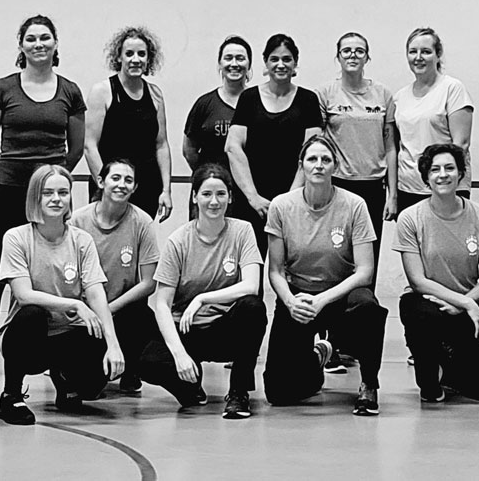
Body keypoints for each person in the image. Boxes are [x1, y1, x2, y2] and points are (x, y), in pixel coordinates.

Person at [0, 15, 86, 385]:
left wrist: (49, 184)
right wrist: (11, 173)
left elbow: (76, 150)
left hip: (48, 199)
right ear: (21, 45)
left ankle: (49, 355)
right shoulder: (3, 89)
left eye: (45, 37)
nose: (39, 44)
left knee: (45, 276)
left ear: (56, 44)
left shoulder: (70, 92)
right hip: (6, 193)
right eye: (31, 38)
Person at [262, 135, 386, 416]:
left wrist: (323, 300)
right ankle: (317, 358)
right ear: (302, 166)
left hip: (341, 295)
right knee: (279, 393)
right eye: (312, 159)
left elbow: (365, 271)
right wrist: (290, 302)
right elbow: (276, 270)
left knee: (368, 307)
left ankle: (369, 384)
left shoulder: (354, 205)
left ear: (335, 166)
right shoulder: (281, 206)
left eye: (325, 160)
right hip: (299, 298)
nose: (318, 165)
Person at [0, 165, 124, 425]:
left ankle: (66, 381)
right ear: (35, 197)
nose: (56, 199)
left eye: (63, 193)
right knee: (31, 314)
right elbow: (24, 295)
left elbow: (96, 294)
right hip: (29, 337)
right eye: (48, 193)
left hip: (67, 333)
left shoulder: (82, 240)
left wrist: (113, 344)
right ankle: (11, 396)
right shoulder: (16, 237)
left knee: (93, 383)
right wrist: (74, 304)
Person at [139, 164, 267, 419]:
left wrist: (202, 298)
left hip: (224, 329)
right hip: (187, 330)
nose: (214, 201)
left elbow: (251, 285)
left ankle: (238, 392)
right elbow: (162, 304)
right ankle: (189, 388)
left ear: (230, 197)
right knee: (148, 362)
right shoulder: (178, 240)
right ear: (195, 197)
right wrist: (179, 354)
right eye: (207, 194)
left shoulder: (242, 231)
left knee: (253, 307)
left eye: (221, 194)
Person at [394, 144, 479, 402]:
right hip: (426, 304)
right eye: (435, 169)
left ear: (460, 174)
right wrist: (467, 303)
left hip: (464, 307)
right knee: (422, 315)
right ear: (426, 177)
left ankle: (451, 368)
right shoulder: (410, 218)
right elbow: (418, 281)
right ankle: (429, 379)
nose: (443, 175)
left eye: (449, 168)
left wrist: (464, 303)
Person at [316, 32, 395, 374]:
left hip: (373, 189)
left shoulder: (383, 95)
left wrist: (393, 193)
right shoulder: (325, 94)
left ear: (367, 57)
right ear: (338, 56)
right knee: (333, 263)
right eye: (346, 50)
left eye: (359, 51)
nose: (353, 55)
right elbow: (317, 143)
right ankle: (326, 342)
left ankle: (353, 341)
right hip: (337, 187)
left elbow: (390, 145)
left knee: (365, 267)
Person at [225, 33, 323, 260]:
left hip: (295, 201)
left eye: (287, 59)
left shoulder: (308, 100)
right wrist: (253, 198)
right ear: (265, 62)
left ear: (295, 63)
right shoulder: (249, 98)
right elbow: (233, 148)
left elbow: (312, 152)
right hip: (251, 202)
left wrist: (289, 200)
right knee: (248, 266)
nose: (280, 64)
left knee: (292, 269)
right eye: (274, 59)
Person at [69, 159, 160, 394]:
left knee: (143, 318)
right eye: (115, 178)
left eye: (128, 180)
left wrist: (109, 309)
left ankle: (131, 369)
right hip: (86, 314)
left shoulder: (142, 222)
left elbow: (149, 282)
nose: (121, 185)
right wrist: (93, 312)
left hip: (123, 309)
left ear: (135, 187)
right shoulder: (77, 221)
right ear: (101, 181)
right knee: (88, 390)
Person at [85, 27, 172, 220]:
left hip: (147, 187)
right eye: (129, 53)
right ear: (119, 57)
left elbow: (161, 145)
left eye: (141, 54)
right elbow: (90, 146)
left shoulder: (155, 94)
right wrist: (106, 185)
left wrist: (166, 190)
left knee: (139, 238)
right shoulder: (102, 91)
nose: (135, 59)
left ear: (148, 59)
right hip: (111, 190)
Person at [389, 28, 474, 212]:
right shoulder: (399, 97)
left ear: (438, 55)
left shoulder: (452, 89)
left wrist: (439, 177)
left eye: (426, 52)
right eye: (413, 52)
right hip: (408, 189)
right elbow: (396, 147)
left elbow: (461, 144)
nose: (418, 57)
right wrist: (393, 195)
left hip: (446, 188)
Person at [183, 35, 252, 219]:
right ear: (220, 64)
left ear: (249, 65)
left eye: (240, 58)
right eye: (228, 58)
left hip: (248, 194)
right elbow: (189, 150)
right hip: (211, 192)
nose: (234, 64)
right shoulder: (204, 104)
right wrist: (209, 173)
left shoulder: (258, 103)